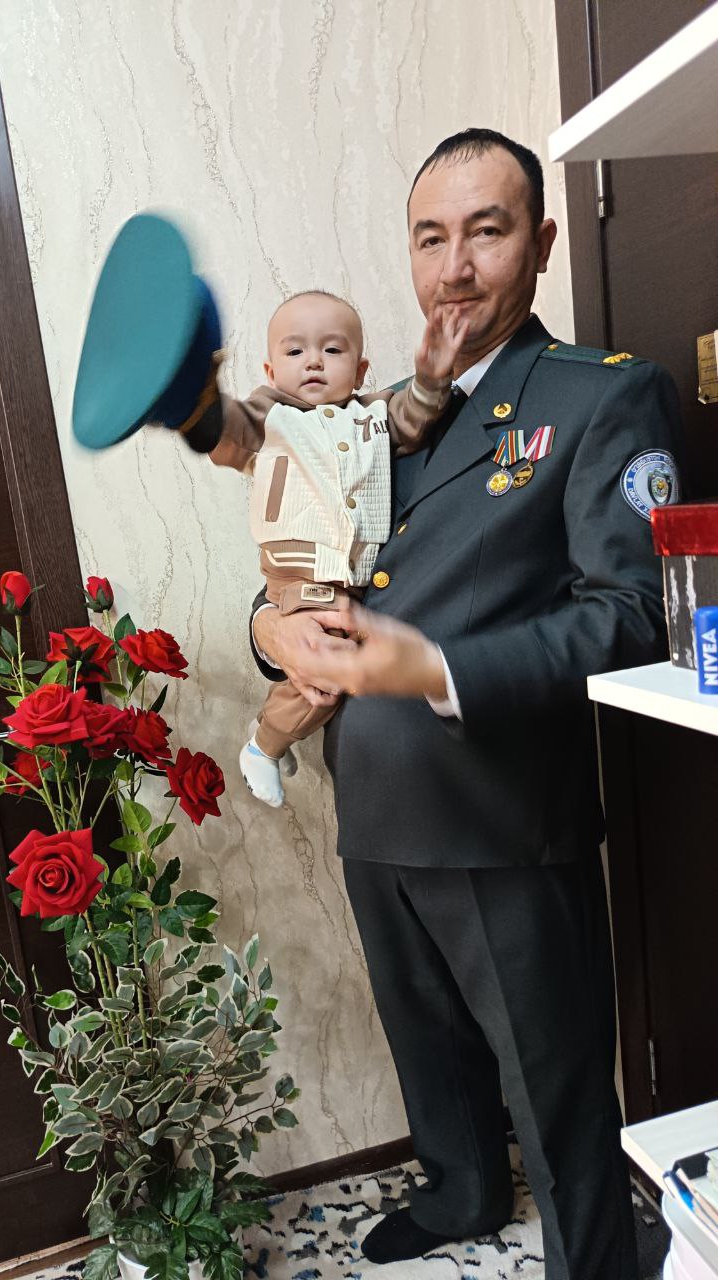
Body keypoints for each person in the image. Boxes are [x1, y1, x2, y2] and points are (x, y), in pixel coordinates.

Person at [237, 129, 681, 1279]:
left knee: (555, 1077)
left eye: (485, 230)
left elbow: (636, 608)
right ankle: (463, 1190)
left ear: (536, 245)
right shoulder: (374, 418)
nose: (455, 265)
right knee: (426, 1042)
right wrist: (264, 624)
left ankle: (597, 1260)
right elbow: (305, 557)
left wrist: (435, 668)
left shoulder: (599, 395)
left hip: (500, 814)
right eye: (431, 236)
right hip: (374, 802)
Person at [199, 292, 467, 807]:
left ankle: (280, 738)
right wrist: (202, 391)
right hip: (300, 569)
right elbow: (221, 434)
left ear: (362, 367)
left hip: (355, 576)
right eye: (296, 352)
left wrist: (432, 378)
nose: (315, 361)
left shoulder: (374, 414)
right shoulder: (266, 415)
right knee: (325, 670)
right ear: (271, 367)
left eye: (333, 350)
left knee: (333, 660)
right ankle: (264, 744)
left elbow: (415, 418)